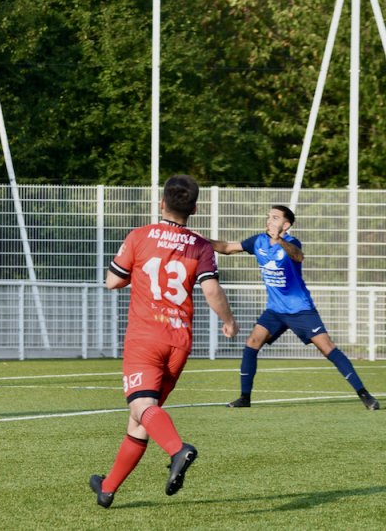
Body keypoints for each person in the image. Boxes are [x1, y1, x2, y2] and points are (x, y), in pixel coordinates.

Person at [90, 175, 238, 508]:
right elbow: (211, 289)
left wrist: (136, 271)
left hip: (145, 337)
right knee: (141, 418)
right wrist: (228, 321)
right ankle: (108, 488)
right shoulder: (199, 245)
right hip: (179, 342)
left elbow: (112, 281)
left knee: (143, 408)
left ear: (162, 203)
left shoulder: (140, 236)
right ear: (195, 209)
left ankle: (177, 450)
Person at [210, 205, 380, 411]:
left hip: (300, 309)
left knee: (328, 348)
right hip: (275, 311)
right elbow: (227, 248)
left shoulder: (291, 242)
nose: (269, 221)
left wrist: (280, 240)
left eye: (275, 218)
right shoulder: (258, 241)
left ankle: (365, 395)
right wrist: (201, 241)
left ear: (286, 224)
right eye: (268, 217)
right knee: (252, 342)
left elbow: (298, 256)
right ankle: (244, 398)